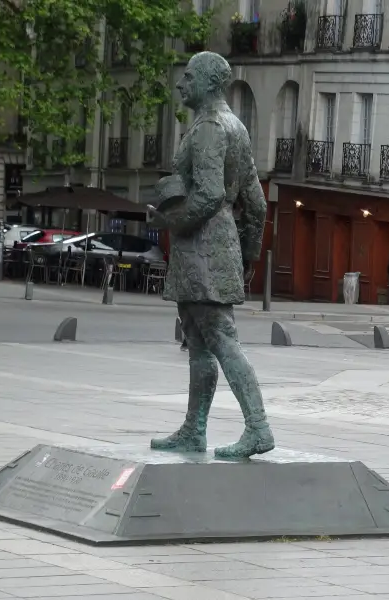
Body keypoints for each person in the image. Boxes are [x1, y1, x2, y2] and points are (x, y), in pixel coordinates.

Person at [147, 51, 273, 459]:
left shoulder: (208, 127)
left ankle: (258, 428)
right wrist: (249, 250)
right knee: (199, 340)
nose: (181, 84)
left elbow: (209, 194)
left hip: (201, 242)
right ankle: (194, 429)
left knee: (219, 337)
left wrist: (171, 222)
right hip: (221, 242)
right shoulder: (236, 126)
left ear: (207, 83)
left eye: (187, 77)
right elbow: (255, 200)